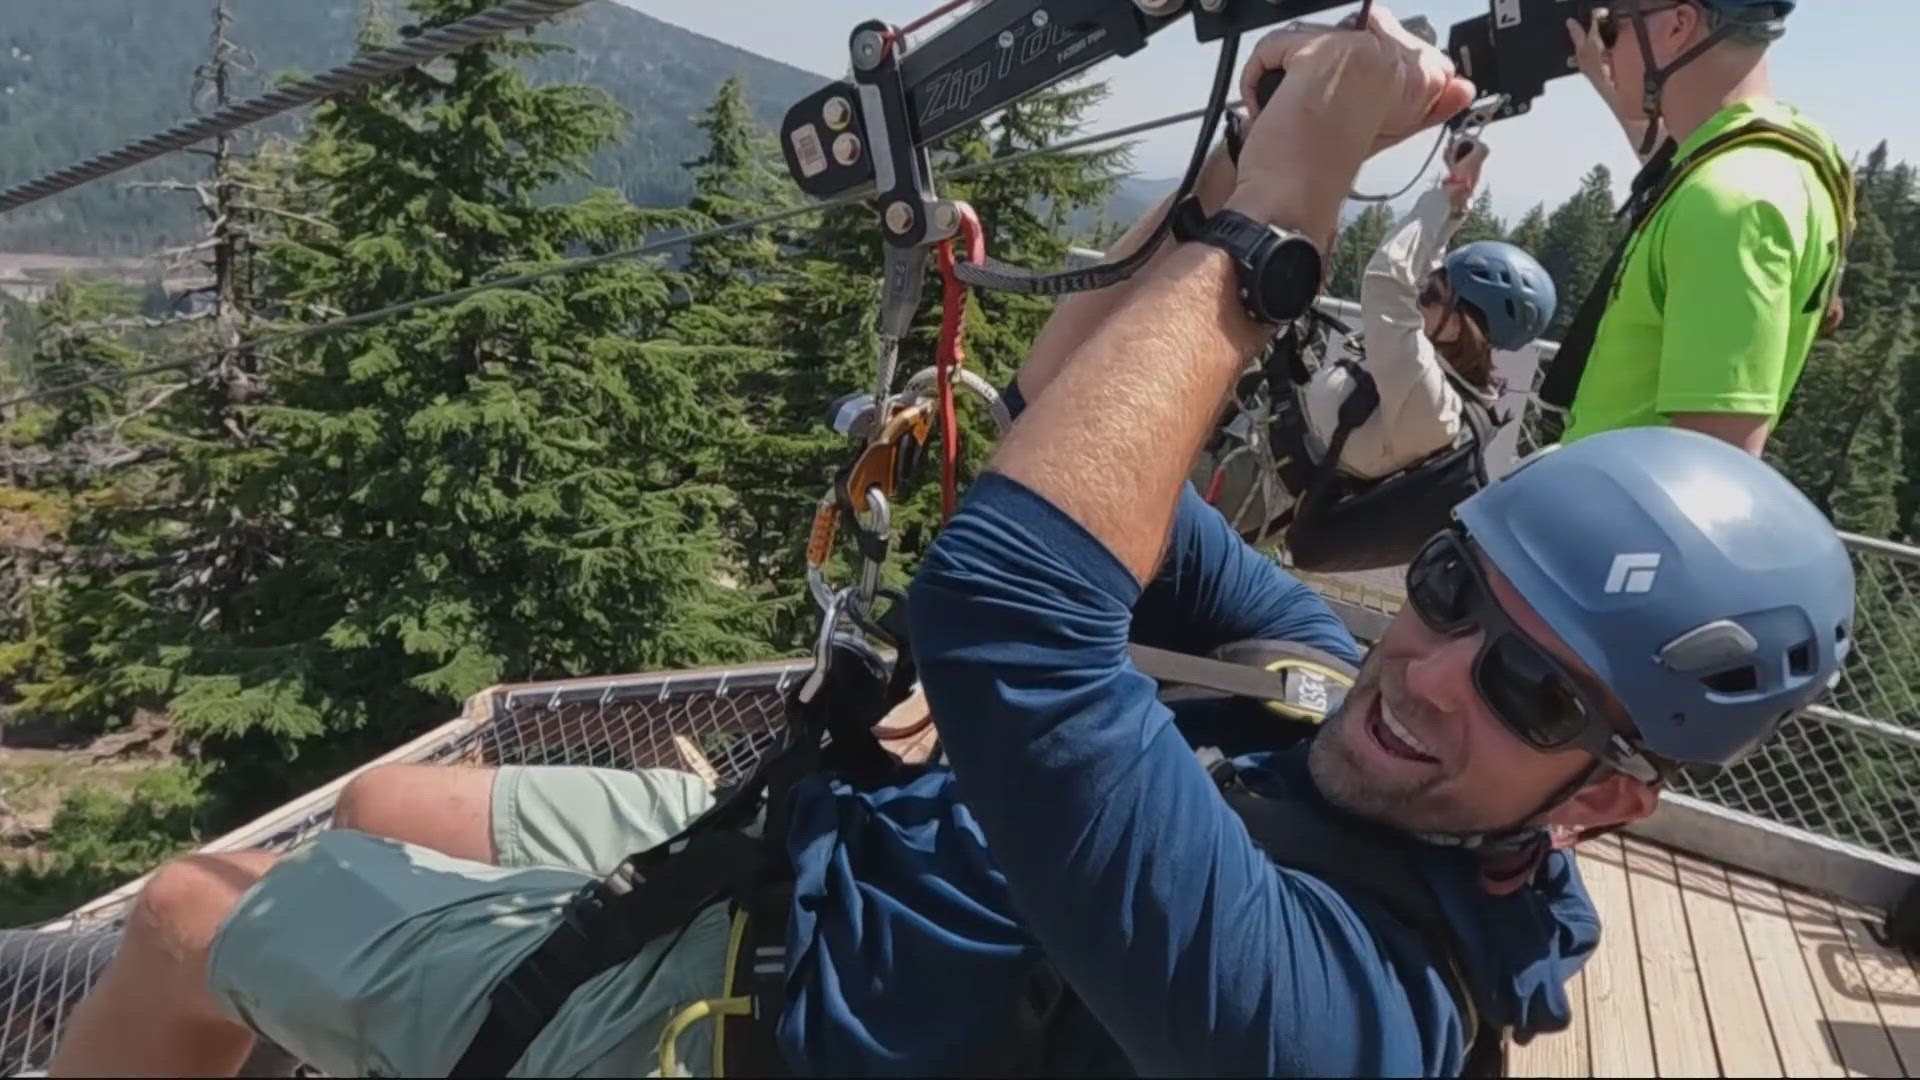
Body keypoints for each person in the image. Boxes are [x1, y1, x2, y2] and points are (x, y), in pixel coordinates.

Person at [50, 11, 1855, 1079]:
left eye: (1531, 685)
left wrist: (1286, 230)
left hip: (762, 1017)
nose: (1436, 666)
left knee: (198, 913)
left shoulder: (1336, 1020)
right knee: (381, 812)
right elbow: (1071, 443)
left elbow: (1004, 611)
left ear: (1613, 795)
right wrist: (1236, 169)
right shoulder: (1347, 701)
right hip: (840, 865)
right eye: (1454, 591)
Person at [1193, 138, 1557, 542]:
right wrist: (1455, 200)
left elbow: (1389, 280)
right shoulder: (1434, 369)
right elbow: (1415, 272)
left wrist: (1443, 201)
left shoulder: (1430, 401)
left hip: (1247, 487)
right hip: (1249, 452)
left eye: (1430, 295)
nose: (1419, 295)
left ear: (1459, 327)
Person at [1549, 0, 1854, 455]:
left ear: (1678, 24)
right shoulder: (1780, 156)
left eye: (1612, 28)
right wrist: (1607, 77)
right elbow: (1669, 167)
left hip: (1612, 520)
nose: (1604, 48)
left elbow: (1710, 463)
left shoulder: (1731, 202)